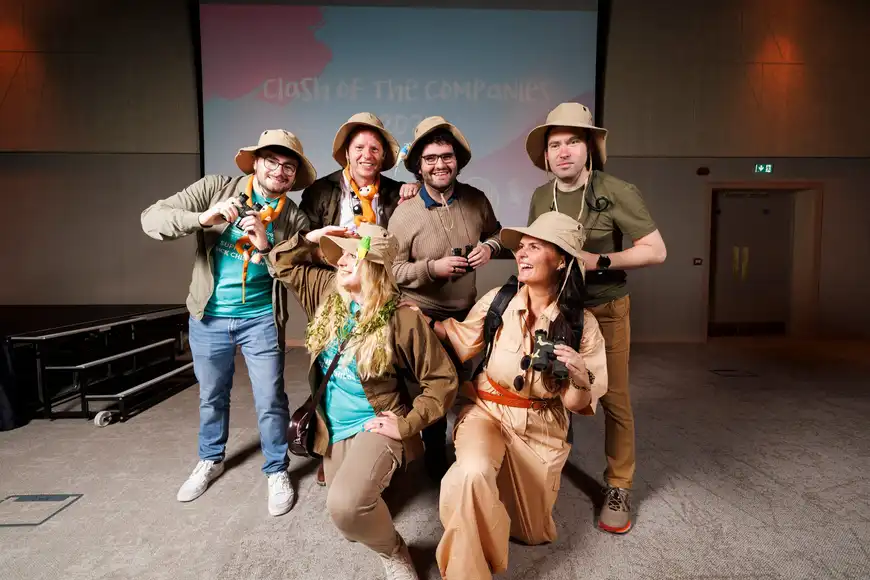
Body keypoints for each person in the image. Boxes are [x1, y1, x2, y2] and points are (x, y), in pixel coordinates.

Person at [417, 211, 608, 579]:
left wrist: (580, 376)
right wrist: (421, 320)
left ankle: (485, 498)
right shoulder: (499, 300)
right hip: (487, 411)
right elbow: (460, 338)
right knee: (470, 475)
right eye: (521, 247)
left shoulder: (583, 325)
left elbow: (575, 404)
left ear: (562, 259)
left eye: (534, 247)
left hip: (541, 427)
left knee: (531, 532)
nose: (521, 253)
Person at [267, 222, 459, 580]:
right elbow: (281, 263)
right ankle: (381, 481)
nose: (340, 261)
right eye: (339, 254)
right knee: (349, 526)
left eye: (351, 256)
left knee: (346, 507)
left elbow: (442, 381)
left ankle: (396, 551)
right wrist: (312, 236)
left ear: (374, 266)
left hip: (376, 419)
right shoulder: (326, 291)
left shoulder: (401, 318)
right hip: (332, 425)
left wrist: (407, 424)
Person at [140, 129, 315, 516]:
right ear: (255, 162)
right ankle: (210, 459)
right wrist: (202, 217)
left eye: (289, 167)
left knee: (271, 397)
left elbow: (296, 272)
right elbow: (152, 219)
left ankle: (276, 469)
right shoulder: (216, 187)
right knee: (211, 395)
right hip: (209, 315)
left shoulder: (293, 216)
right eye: (272, 161)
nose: (280, 171)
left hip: (261, 318)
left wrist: (266, 244)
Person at [526, 102, 667, 534]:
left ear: (589, 148)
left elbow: (656, 251)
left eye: (573, 141)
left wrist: (598, 259)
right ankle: (539, 475)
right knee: (550, 390)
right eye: (555, 145)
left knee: (613, 398)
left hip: (605, 308)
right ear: (546, 156)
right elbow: (537, 254)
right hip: (560, 308)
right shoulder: (540, 196)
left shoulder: (618, 190)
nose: (564, 151)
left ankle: (619, 484)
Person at [298, 111, 416, 486]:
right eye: (359, 147)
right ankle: (329, 445)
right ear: (346, 153)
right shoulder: (320, 191)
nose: (367, 154)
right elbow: (303, 244)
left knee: (383, 366)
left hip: (381, 287)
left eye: (375, 149)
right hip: (338, 283)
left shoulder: (398, 192)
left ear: (383, 156)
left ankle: (393, 442)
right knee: (334, 362)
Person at [388, 115, 502, 480]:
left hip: (467, 314)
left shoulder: (476, 200)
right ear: (418, 167)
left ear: (458, 160)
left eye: (447, 156)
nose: (440, 164)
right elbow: (390, 272)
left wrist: (490, 246)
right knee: (433, 386)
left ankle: (472, 449)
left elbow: (500, 234)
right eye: (431, 158)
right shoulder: (405, 213)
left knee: (470, 384)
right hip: (422, 315)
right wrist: (431, 269)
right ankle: (435, 454)